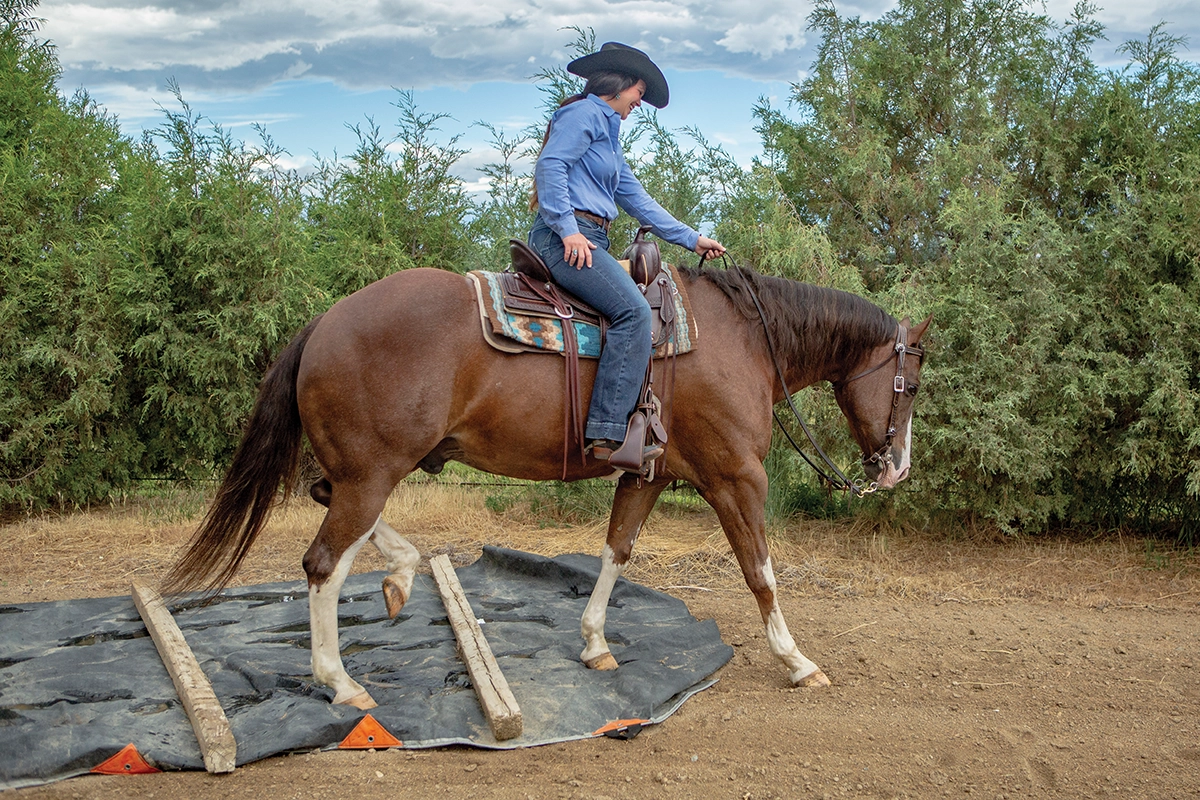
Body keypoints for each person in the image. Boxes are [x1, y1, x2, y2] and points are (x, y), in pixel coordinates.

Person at [528, 41, 725, 465]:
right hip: (566, 237)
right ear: (618, 87)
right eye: (638, 92)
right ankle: (607, 434)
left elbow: (639, 201)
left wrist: (693, 239)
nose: (639, 102)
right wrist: (567, 230)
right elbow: (550, 166)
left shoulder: (610, 138)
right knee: (634, 313)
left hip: (589, 237)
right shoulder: (583, 113)